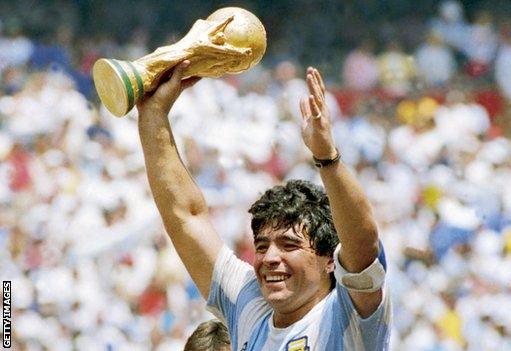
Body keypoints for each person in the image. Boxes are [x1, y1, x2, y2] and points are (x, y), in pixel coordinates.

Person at [137, 61, 391, 350]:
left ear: (330, 260)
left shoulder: (350, 314)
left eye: (288, 244)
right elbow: (186, 216)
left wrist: (327, 159)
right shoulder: (249, 307)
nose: (269, 257)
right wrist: (153, 115)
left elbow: (364, 244)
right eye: (261, 246)